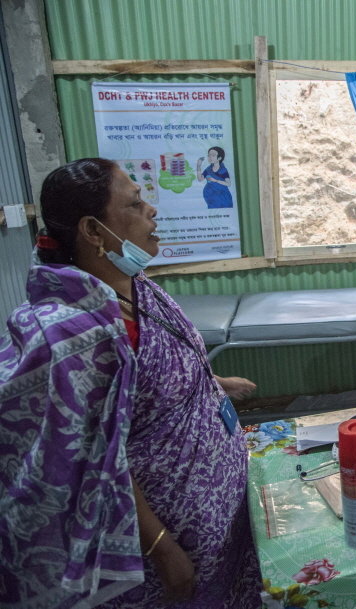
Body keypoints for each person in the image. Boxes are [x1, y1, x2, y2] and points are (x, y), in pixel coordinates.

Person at [0, 159, 261, 607]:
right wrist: (162, 548)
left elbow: (147, 376)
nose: (152, 211)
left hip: (221, 518)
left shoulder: (134, 285)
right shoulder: (70, 336)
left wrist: (208, 380)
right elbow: (96, 457)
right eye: (136, 204)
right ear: (93, 231)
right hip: (169, 547)